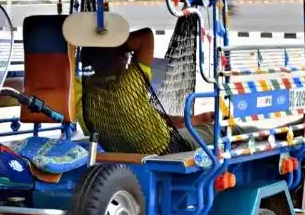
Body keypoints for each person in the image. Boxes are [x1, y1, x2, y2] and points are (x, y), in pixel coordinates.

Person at [75, 28, 264, 154]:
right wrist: (111, 48)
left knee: (202, 121)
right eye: (124, 55)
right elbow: (146, 36)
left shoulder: (86, 96)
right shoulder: (131, 83)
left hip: (130, 147)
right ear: (118, 59)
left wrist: (191, 120)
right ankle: (275, 134)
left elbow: (143, 116)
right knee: (229, 129)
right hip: (168, 148)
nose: (127, 58)